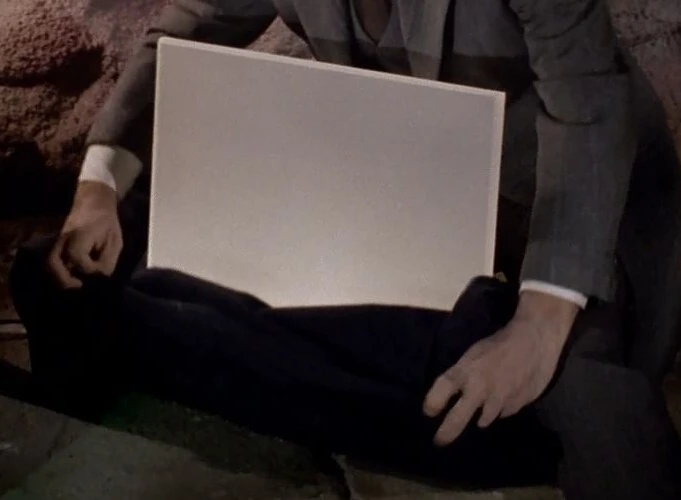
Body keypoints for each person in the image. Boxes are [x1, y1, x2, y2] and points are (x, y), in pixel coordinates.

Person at [9, 0, 681, 498]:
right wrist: (97, 188)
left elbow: (589, 109)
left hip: (568, 189)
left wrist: (539, 323)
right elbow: (185, 32)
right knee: (97, 267)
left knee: (587, 380)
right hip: (405, 182)